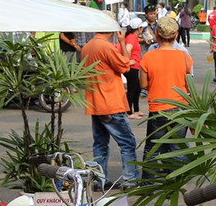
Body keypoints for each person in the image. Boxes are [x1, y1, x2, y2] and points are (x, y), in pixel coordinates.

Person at [81, 23, 140, 188]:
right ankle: (130, 179)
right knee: (127, 143)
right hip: (110, 102)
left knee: (100, 143)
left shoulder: (87, 47)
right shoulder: (106, 47)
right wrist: (122, 42)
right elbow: (124, 66)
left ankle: (99, 180)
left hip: (95, 103)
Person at [140, 16, 192, 179]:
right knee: (176, 148)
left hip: (158, 109)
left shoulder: (149, 57)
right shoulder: (184, 57)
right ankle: (173, 185)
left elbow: (143, 84)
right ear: (176, 35)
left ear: (156, 35)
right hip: (180, 109)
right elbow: (188, 86)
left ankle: (147, 186)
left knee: (152, 149)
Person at [123, 18, 147, 120]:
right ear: (139, 28)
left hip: (134, 67)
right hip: (131, 67)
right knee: (132, 89)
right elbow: (128, 49)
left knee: (137, 88)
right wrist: (128, 62)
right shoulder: (132, 38)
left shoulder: (133, 37)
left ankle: (136, 110)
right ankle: (129, 112)